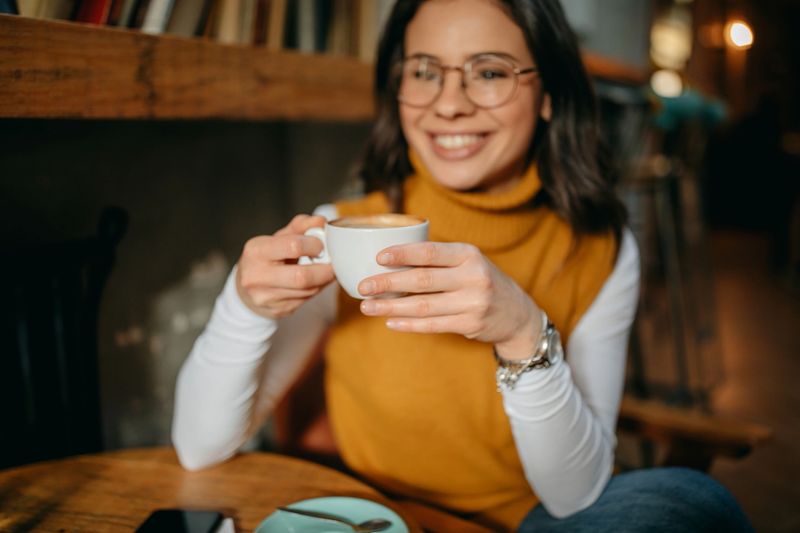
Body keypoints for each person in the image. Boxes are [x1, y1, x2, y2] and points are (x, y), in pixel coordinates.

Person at [172, 1, 753, 531]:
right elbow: (199, 451)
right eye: (424, 71)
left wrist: (523, 332)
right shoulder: (341, 233)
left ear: (549, 92)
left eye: (491, 72)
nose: (449, 105)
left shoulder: (599, 248)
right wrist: (243, 307)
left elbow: (575, 496)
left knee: (690, 501)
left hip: (526, 520)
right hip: (374, 514)